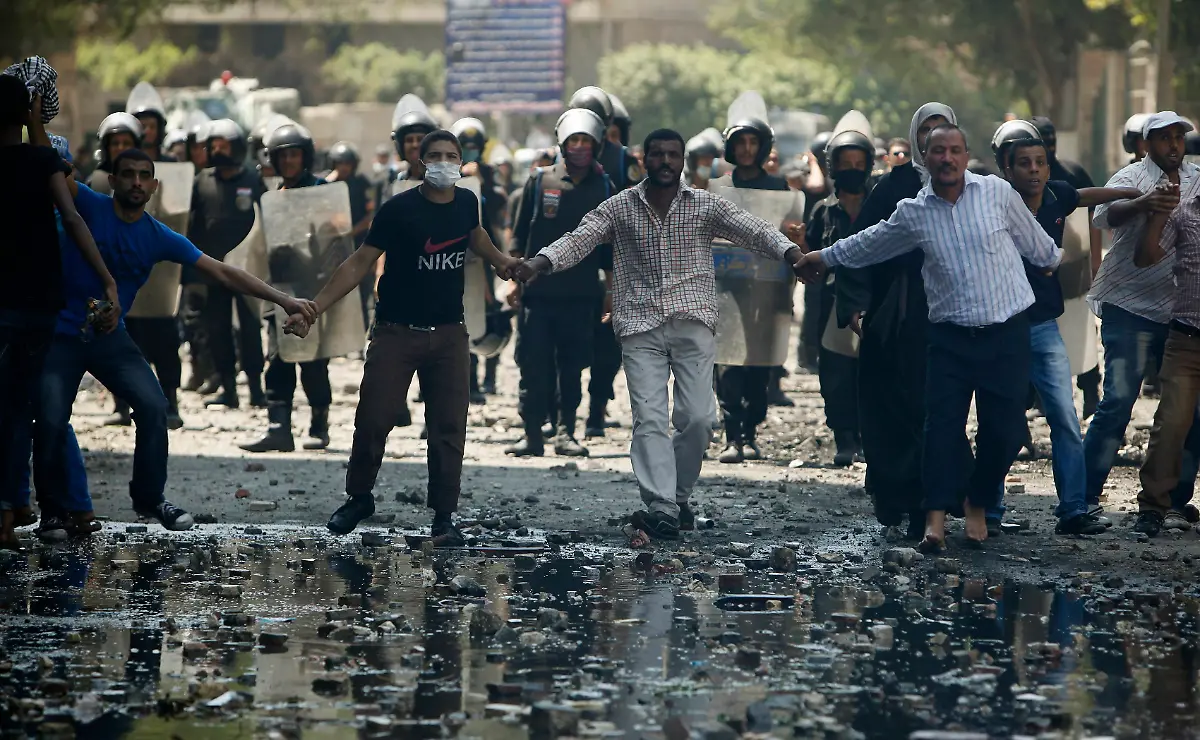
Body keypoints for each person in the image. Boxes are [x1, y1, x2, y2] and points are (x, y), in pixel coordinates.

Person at [511, 129, 809, 542]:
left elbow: (752, 229)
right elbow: (579, 239)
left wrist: (793, 255)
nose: (666, 161)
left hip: (693, 323)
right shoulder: (619, 207)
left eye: (673, 154)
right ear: (644, 160)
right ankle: (663, 506)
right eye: (658, 155)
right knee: (649, 419)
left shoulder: (705, 205)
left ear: (682, 159)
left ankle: (677, 496)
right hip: (639, 327)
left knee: (700, 418)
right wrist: (538, 264)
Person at [795, 124, 1061, 551]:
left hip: (1005, 333)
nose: (947, 159)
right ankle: (934, 521)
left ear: (965, 154)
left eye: (955, 150)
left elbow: (1041, 249)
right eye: (939, 151)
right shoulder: (914, 211)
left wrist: (1051, 260)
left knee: (1007, 432)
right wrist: (822, 258)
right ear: (926, 156)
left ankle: (976, 496)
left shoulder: (996, 193)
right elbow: (869, 243)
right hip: (949, 336)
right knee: (939, 428)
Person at [33, 147, 315, 536]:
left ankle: (149, 498)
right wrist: (33, 119)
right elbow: (50, 168)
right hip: (61, 335)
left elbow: (223, 272)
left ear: (153, 186)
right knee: (50, 418)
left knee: (153, 407)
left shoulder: (156, 235)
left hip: (109, 338)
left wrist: (285, 300)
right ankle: (52, 510)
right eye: (127, 174)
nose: (135, 181)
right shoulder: (89, 203)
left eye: (143, 176)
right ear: (112, 181)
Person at [282, 130, 519, 539]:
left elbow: (474, 233)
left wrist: (501, 261)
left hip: (449, 335)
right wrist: (315, 308)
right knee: (374, 418)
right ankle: (359, 496)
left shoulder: (467, 201)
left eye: (451, 155)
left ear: (462, 161)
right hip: (396, 333)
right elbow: (359, 263)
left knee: (448, 427)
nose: (444, 162)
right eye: (436, 156)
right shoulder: (398, 210)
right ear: (422, 162)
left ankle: (444, 514)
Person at [993, 127, 1141, 536]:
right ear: (1007, 168)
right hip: (1003, 328)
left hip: (1043, 326)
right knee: (1003, 420)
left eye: (1040, 162)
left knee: (1064, 415)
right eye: (1024, 163)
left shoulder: (1058, 194)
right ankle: (988, 509)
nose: (1035, 170)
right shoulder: (996, 205)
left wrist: (1132, 196)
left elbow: (1087, 195)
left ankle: (1074, 508)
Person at [0, 80, 118, 549]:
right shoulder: (43, 162)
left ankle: (9, 513)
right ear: (27, 113)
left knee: (6, 409)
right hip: (41, 304)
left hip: (4, 304)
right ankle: (19, 504)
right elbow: (72, 218)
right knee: (28, 408)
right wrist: (107, 279)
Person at [835, 103, 953, 540]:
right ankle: (894, 495)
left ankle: (934, 503)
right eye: (926, 131)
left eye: (942, 130)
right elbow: (857, 247)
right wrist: (856, 308)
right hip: (898, 315)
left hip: (949, 315)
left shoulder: (972, 189)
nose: (934, 140)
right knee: (892, 411)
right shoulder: (893, 188)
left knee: (938, 410)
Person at [1084, 112, 1200, 535]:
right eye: (1164, 138)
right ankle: (1082, 497)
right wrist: (1142, 204)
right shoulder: (1132, 176)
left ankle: (1172, 499)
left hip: (1180, 313)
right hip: (1128, 306)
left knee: (1184, 414)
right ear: (1146, 144)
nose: (1173, 145)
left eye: (1178, 138)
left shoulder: (1196, 179)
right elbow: (1104, 216)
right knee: (1117, 402)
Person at [505, 109, 613, 458]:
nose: (580, 147)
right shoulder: (540, 181)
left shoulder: (606, 187)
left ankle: (567, 430)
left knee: (573, 367)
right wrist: (512, 281)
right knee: (533, 365)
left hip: (582, 296)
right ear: (563, 143)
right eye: (574, 140)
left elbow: (611, 249)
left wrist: (611, 291)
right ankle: (531, 433)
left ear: (596, 145)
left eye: (586, 141)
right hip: (538, 293)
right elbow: (519, 235)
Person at [709, 114, 805, 462]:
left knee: (761, 363)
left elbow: (793, 236)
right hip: (726, 287)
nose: (746, 149)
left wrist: (796, 236)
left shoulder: (781, 189)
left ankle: (752, 430)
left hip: (768, 287)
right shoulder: (717, 188)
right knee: (728, 362)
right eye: (740, 142)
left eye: (753, 142)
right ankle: (732, 435)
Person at [242, 122, 334, 453]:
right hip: (278, 289)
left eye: (295, 155)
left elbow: (334, 239)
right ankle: (279, 427)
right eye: (284, 156)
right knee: (277, 358)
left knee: (313, 361)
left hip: (312, 289)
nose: (290, 162)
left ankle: (319, 424)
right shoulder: (271, 197)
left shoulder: (322, 191)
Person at [567, 87, 642, 437]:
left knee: (608, 344)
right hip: (571, 262)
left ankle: (597, 410)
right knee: (566, 342)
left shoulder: (625, 160)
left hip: (614, 261)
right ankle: (560, 411)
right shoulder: (558, 157)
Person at [1133, 146, 1200, 535]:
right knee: (1171, 424)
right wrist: (1158, 215)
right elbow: (1145, 257)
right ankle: (1153, 509)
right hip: (1186, 337)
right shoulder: (1186, 210)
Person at [188, 119, 268, 409]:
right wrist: (191, 272)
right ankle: (228, 387)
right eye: (214, 145)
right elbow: (192, 225)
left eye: (225, 144)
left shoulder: (252, 179)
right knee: (217, 330)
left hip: (247, 269)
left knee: (249, 329)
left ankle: (257, 390)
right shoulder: (202, 181)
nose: (219, 150)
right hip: (212, 269)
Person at [806, 128, 873, 465]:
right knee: (835, 376)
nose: (852, 168)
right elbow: (811, 255)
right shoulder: (823, 210)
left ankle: (868, 437)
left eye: (859, 163)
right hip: (833, 303)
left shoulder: (881, 204)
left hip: (873, 301)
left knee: (872, 376)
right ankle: (844, 438)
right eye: (845, 163)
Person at [1030, 116, 1103, 415]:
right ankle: (1040, 398)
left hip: (1073, 272)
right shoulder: (1021, 177)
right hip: (1035, 274)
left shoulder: (1072, 174)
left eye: (1050, 138)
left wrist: (1095, 261)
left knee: (1083, 333)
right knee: (1039, 335)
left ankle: (1090, 393)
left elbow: (1093, 216)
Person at [451, 117, 507, 403]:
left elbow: (496, 207)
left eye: (475, 146)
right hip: (455, 257)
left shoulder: (488, 174)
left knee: (488, 313)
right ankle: (468, 381)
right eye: (466, 146)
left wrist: (480, 184)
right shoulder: (447, 174)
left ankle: (490, 378)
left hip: (484, 258)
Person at [325, 141, 378, 331]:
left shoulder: (363, 184)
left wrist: (352, 231)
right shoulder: (328, 184)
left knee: (362, 293)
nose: (343, 167)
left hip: (359, 245)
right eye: (339, 163)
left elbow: (370, 215)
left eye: (347, 163)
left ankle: (361, 332)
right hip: (335, 247)